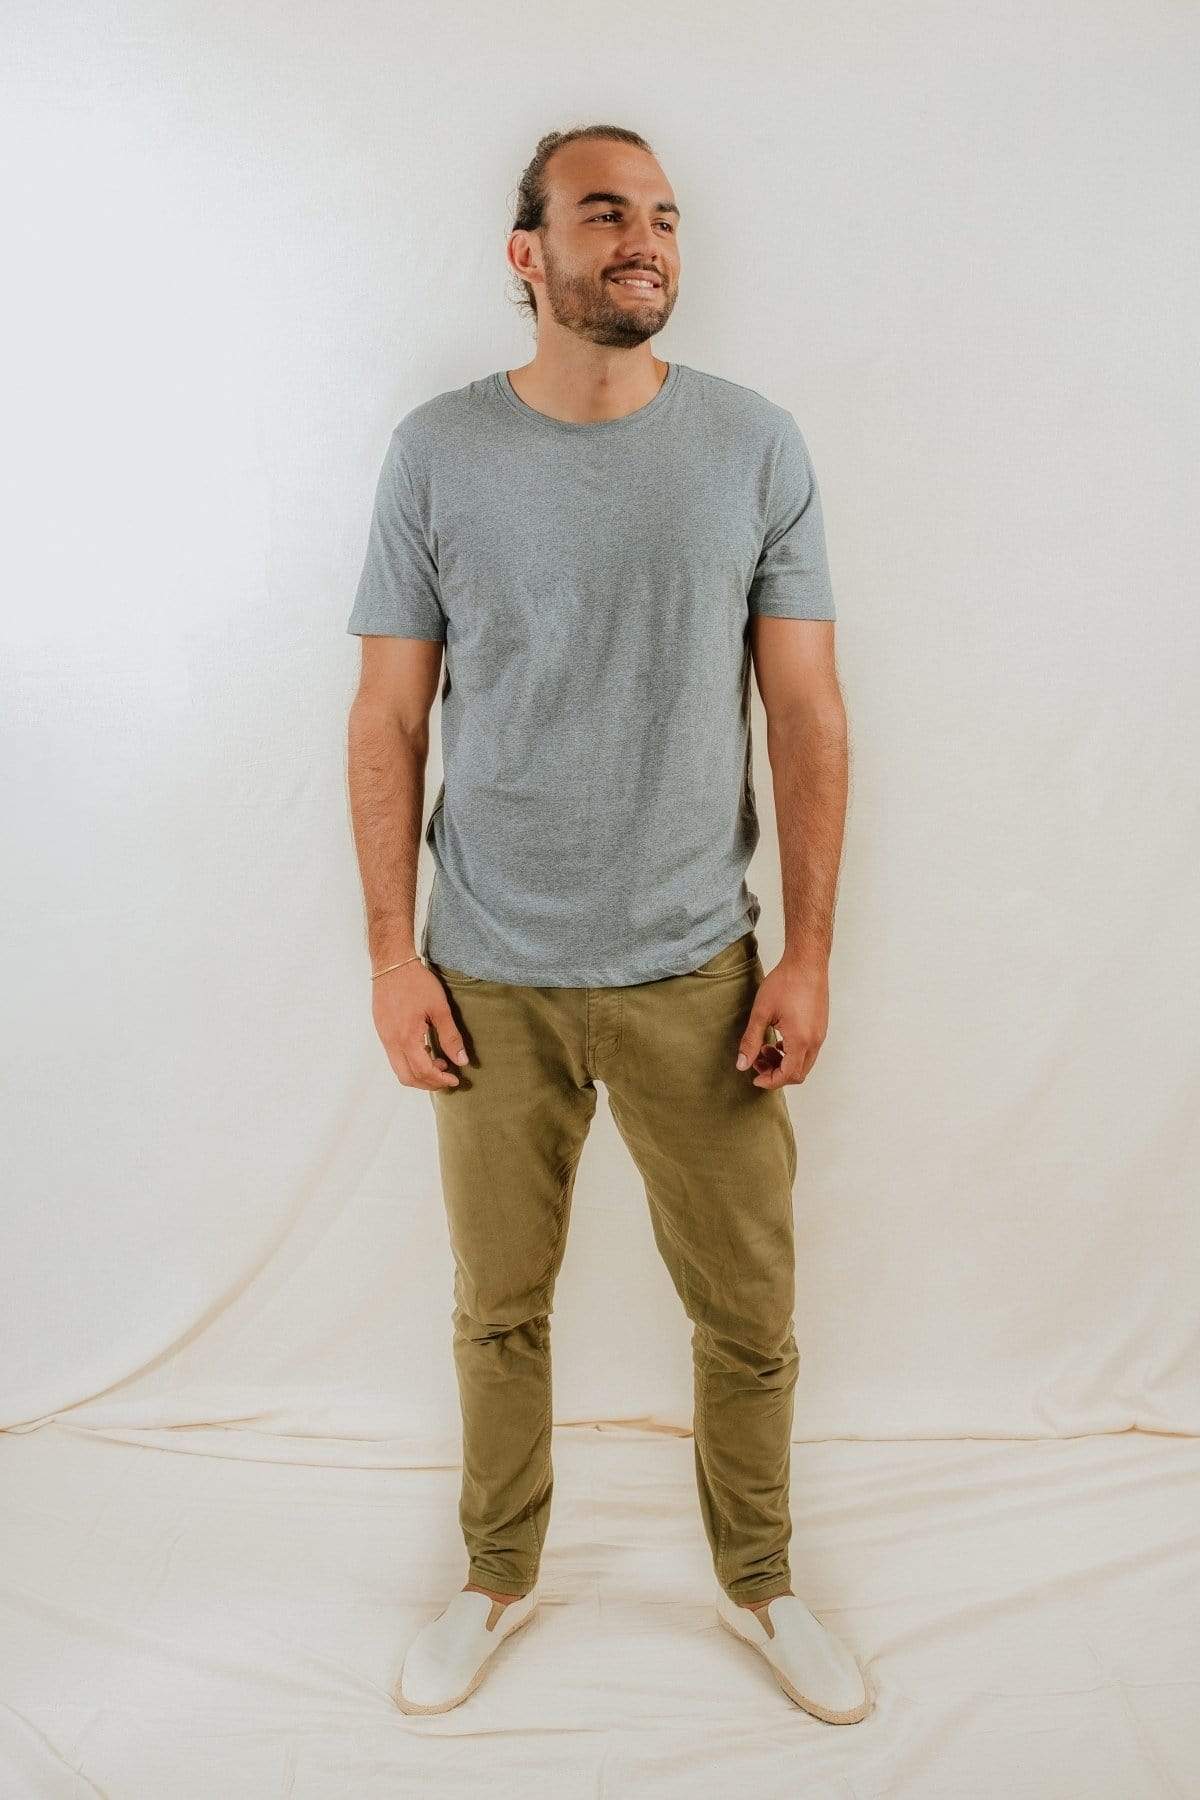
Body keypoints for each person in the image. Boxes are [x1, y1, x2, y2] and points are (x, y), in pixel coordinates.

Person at [345, 122, 871, 1724]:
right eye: (603, 213)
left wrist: (809, 953)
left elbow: (806, 710)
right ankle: (495, 1574)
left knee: (750, 1316)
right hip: (486, 973)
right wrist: (391, 956)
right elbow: (388, 717)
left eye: (663, 216)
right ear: (529, 255)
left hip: (696, 971)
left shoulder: (754, 444)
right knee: (497, 1309)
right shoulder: (437, 451)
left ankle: (763, 1582)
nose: (644, 238)